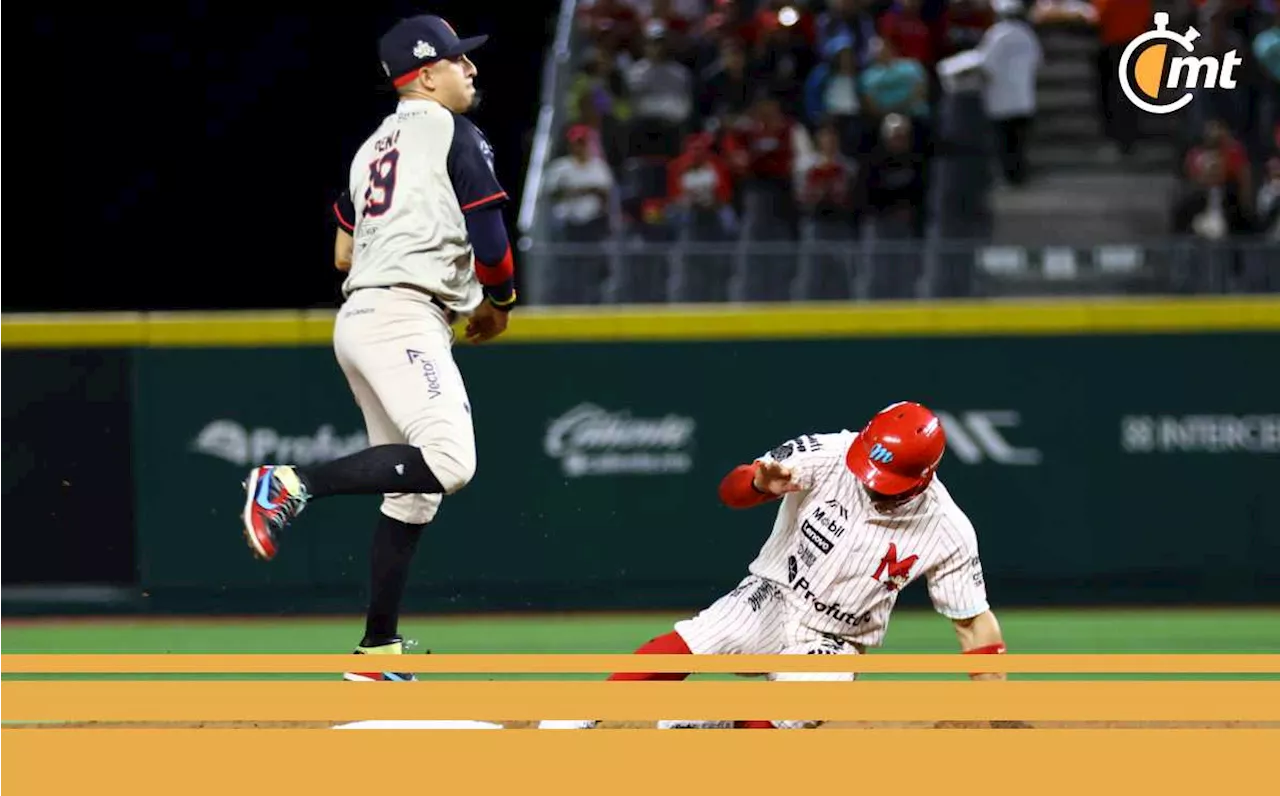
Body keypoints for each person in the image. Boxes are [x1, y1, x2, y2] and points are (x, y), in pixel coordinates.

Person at [238, 14, 517, 681]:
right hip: (403, 314)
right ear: (425, 74)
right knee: (451, 462)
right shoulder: (454, 131)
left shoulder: (371, 149)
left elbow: (340, 251)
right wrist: (499, 306)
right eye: (458, 60)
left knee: (414, 495)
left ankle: (377, 650)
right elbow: (493, 241)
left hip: (363, 314)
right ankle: (289, 484)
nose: (471, 69)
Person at [539, 401, 1011, 730]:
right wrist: (759, 484)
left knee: (796, 706)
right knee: (697, 639)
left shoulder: (947, 529)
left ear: (923, 476)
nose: (869, 481)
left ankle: (717, 728)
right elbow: (731, 491)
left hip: (836, 639)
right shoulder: (829, 454)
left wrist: (999, 713)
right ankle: (585, 710)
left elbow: (973, 624)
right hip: (774, 593)